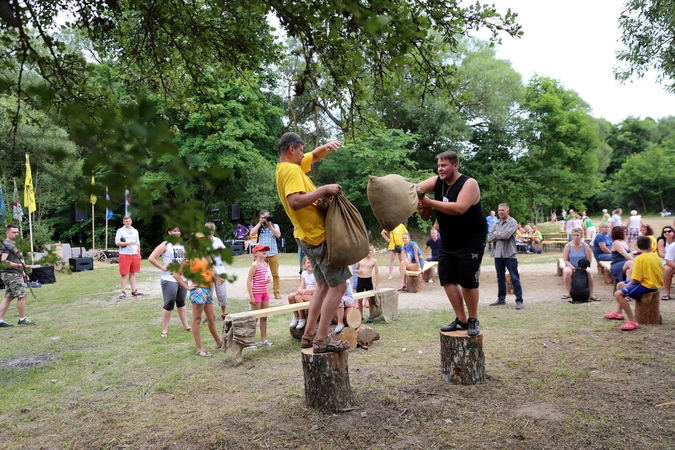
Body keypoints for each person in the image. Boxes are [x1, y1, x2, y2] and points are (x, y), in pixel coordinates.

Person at [275, 131, 350, 354]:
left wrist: (327, 146)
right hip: (317, 236)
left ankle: (308, 336)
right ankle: (322, 339)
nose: (304, 154)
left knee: (323, 285)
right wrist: (324, 190)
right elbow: (295, 202)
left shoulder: (284, 168)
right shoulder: (291, 170)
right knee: (340, 286)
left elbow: (313, 157)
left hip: (305, 236)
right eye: (301, 149)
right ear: (292, 149)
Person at [417, 150, 487, 335]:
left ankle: (473, 319)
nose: (440, 169)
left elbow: (459, 208)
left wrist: (430, 202)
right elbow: (415, 189)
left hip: (471, 239)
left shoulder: (469, 183)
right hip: (449, 239)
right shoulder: (437, 181)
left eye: (444, 165)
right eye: (439, 165)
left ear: (455, 166)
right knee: (447, 277)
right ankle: (461, 320)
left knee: (468, 280)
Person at [173, 234, 223, 357]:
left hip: (208, 291)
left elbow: (211, 271)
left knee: (211, 318)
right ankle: (200, 349)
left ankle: (219, 342)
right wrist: (187, 287)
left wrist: (218, 278)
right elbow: (176, 274)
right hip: (199, 290)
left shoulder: (207, 256)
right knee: (197, 319)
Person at [605, 236, 663, 331]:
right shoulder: (656, 256)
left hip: (648, 285)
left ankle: (632, 321)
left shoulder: (639, 259)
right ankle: (618, 312)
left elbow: (636, 279)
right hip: (653, 283)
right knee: (620, 284)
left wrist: (628, 285)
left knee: (618, 294)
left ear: (638, 247)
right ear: (650, 245)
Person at [147, 226, 191, 337]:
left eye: (178, 230)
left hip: (182, 278)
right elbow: (151, 258)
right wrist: (162, 267)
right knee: (169, 303)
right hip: (169, 279)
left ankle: (186, 325)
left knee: (181, 302)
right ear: (169, 232)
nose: (177, 233)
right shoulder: (165, 245)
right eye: (174, 231)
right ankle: (165, 330)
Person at [487, 203, 524, 310]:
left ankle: (519, 300)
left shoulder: (513, 222)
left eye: (502, 210)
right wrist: (497, 234)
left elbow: (507, 235)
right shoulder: (496, 222)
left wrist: (496, 234)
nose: (500, 212)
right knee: (500, 277)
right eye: (499, 210)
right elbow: (489, 237)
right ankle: (501, 298)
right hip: (498, 254)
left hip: (510, 254)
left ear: (508, 211)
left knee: (514, 277)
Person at [0, 224, 35, 327]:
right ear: (7, 233)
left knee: (8, 297)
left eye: (17, 232)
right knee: (22, 296)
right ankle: (22, 319)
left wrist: (23, 273)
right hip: (12, 275)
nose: (16, 234)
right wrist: (20, 266)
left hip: (14, 274)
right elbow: (3, 261)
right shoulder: (7, 245)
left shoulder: (13, 244)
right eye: (13, 232)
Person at [246, 243, 274, 348]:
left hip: (265, 293)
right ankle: (250, 341)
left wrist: (268, 280)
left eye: (265, 250)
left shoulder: (266, 264)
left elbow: (263, 278)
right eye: (262, 250)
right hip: (256, 293)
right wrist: (251, 296)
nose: (264, 251)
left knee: (264, 317)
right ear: (255, 253)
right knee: (254, 318)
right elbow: (249, 281)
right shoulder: (254, 265)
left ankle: (263, 340)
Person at [249, 210, 282, 299]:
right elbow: (251, 234)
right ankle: (260, 291)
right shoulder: (259, 227)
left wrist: (269, 225)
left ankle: (276, 292)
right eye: (263, 217)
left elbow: (278, 235)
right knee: (259, 274)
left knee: (275, 274)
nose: (265, 219)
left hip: (273, 253)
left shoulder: (275, 226)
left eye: (266, 217)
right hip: (260, 255)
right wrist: (260, 223)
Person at [561, 227, 599, 301]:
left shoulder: (585, 246)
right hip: (571, 265)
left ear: (581, 236)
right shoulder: (568, 246)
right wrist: (573, 268)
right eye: (574, 235)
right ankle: (568, 292)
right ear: (572, 236)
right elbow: (565, 260)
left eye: (578, 235)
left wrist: (582, 268)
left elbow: (589, 259)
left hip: (583, 266)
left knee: (589, 272)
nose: (576, 237)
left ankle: (591, 294)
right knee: (566, 272)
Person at [205, 222, 229, 320]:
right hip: (207, 271)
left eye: (211, 230)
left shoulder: (217, 240)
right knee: (207, 294)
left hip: (220, 270)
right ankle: (208, 315)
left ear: (214, 231)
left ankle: (224, 313)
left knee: (222, 293)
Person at [115, 216, 143, 299]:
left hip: (134, 254)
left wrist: (138, 254)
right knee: (124, 274)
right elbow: (117, 243)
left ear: (131, 221)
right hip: (124, 254)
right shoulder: (120, 231)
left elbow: (138, 243)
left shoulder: (135, 231)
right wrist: (127, 243)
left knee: (133, 273)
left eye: (129, 221)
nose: (128, 222)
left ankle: (134, 291)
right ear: (123, 222)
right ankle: (123, 292)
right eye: (126, 221)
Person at [354, 244, 380, 322]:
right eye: (367, 250)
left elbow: (377, 273)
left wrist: (377, 285)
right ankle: (360, 315)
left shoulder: (373, 261)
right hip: (360, 280)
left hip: (368, 280)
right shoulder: (360, 259)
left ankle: (370, 316)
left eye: (370, 250)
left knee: (370, 299)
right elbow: (355, 269)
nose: (369, 252)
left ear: (373, 251)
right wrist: (358, 271)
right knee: (359, 299)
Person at [288, 257, 315, 329]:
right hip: (306, 294)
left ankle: (302, 318)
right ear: (304, 265)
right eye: (308, 262)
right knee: (291, 296)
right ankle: (296, 316)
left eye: (312, 262)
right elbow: (301, 286)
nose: (310, 264)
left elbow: (317, 289)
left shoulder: (316, 274)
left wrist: (304, 291)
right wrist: (299, 290)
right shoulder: (304, 273)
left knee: (298, 297)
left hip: (314, 296)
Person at [657, 226, 675, 300]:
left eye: (669, 231)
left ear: (673, 232)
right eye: (665, 232)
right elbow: (661, 254)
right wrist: (670, 257)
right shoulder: (662, 241)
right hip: (666, 260)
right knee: (668, 269)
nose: (667, 233)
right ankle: (666, 292)